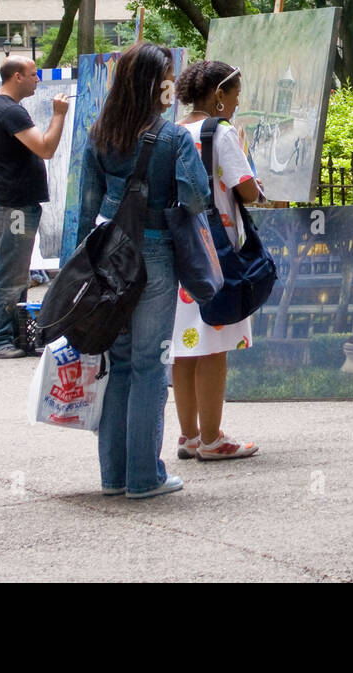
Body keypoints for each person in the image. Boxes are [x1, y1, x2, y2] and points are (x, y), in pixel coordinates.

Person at [78, 43, 210, 499]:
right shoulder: (172, 138)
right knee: (152, 367)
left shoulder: (99, 134)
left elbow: (85, 209)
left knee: (121, 365)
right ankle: (144, 477)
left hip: (110, 258)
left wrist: (81, 270)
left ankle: (113, 476)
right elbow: (196, 198)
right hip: (155, 255)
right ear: (159, 85)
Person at [171, 61, 264, 462]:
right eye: (236, 93)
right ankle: (212, 439)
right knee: (213, 345)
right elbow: (246, 192)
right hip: (217, 251)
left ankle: (189, 436)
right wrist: (259, 187)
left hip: (178, 251)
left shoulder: (172, 131)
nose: (238, 101)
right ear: (219, 94)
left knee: (184, 346)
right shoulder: (220, 133)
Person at [0, 57, 69, 359]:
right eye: (33, 75)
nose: (37, 80)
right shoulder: (9, 110)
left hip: (10, 203)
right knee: (11, 273)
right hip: (13, 206)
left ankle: (14, 334)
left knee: (15, 270)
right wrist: (59, 115)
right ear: (17, 77)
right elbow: (45, 147)